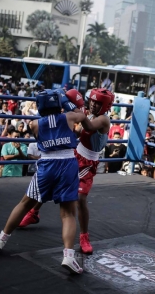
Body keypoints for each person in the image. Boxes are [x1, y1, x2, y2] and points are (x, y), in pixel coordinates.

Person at [0, 89, 90, 275]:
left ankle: (0, 240)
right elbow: (82, 116)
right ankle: (68, 256)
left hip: (47, 164)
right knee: (68, 213)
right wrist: (65, 102)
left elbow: (44, 131)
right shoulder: (68, 117)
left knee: (25, 203)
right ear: (58, 104)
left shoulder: (34, 124)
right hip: (67, 163)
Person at [19, 88, 111, 256]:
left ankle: (84, 237)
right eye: (93, 101)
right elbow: (77, 132)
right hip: (75, 154)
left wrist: (69, 105)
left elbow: (88, 127)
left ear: (105, 106)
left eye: (98, 103)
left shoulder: (103, 120)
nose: (94, 105)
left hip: (88, 163)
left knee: (81, 199)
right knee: (52, 182)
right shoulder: (86, 112)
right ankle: (33, 213)